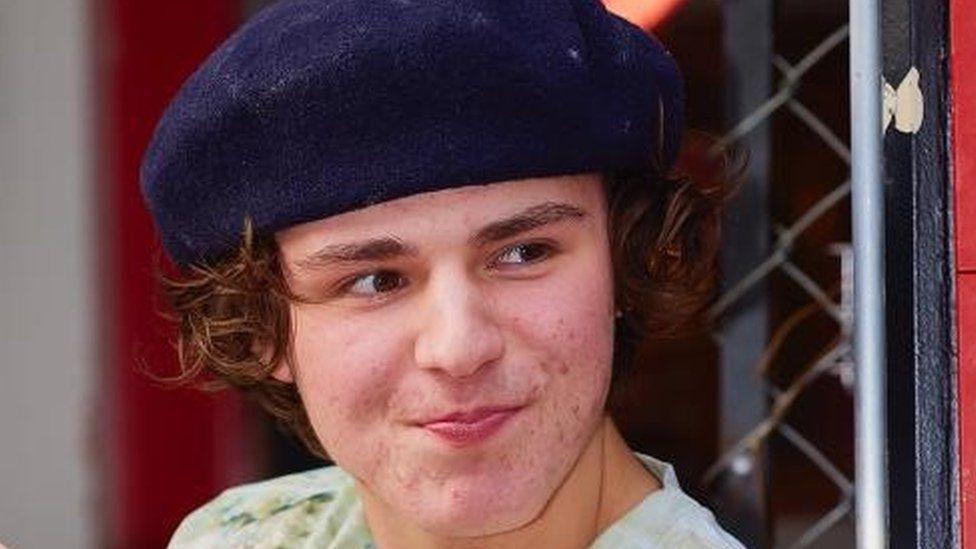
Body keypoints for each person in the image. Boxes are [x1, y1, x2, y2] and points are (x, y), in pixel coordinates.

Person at [141, 0, 745, 546]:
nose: (459, 349)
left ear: (626, 262)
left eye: (523, 253)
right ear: (262, 328)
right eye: (376, 280)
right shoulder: (239, 536)